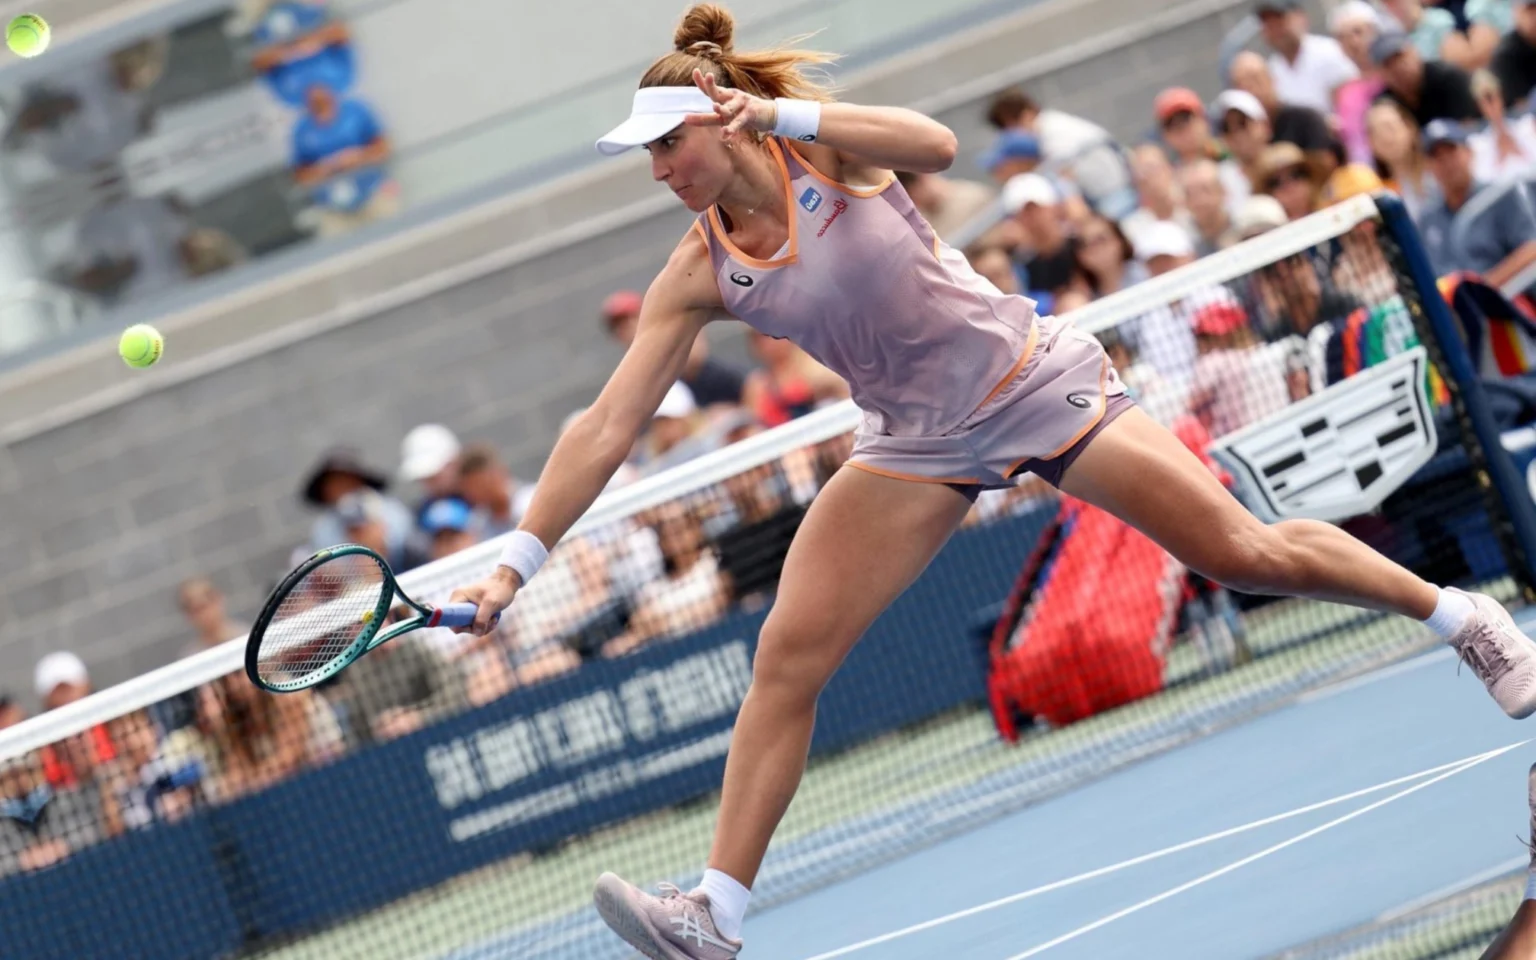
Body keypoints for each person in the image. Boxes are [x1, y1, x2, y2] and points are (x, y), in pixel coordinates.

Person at [448, 6, 1536, 957]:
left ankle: (1462, 618)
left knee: (1234, 550)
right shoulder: (698, 269)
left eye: (667, 143)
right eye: (647, 155)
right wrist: (515, 566)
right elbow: (606, 425)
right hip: (913, 444)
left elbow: (935, 141)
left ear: (716, 112)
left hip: (1026, 378)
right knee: (785, 655)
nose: (658, 170)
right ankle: (713, 918)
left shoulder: (821, 158)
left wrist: (778, 118)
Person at [1253, 0, 1359, 115]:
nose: (1276, 30)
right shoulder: (1272, 69)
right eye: (1269, 25)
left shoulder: (1330, 52)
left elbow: (1352, 103)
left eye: (1280, 21)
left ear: (1300, 18)